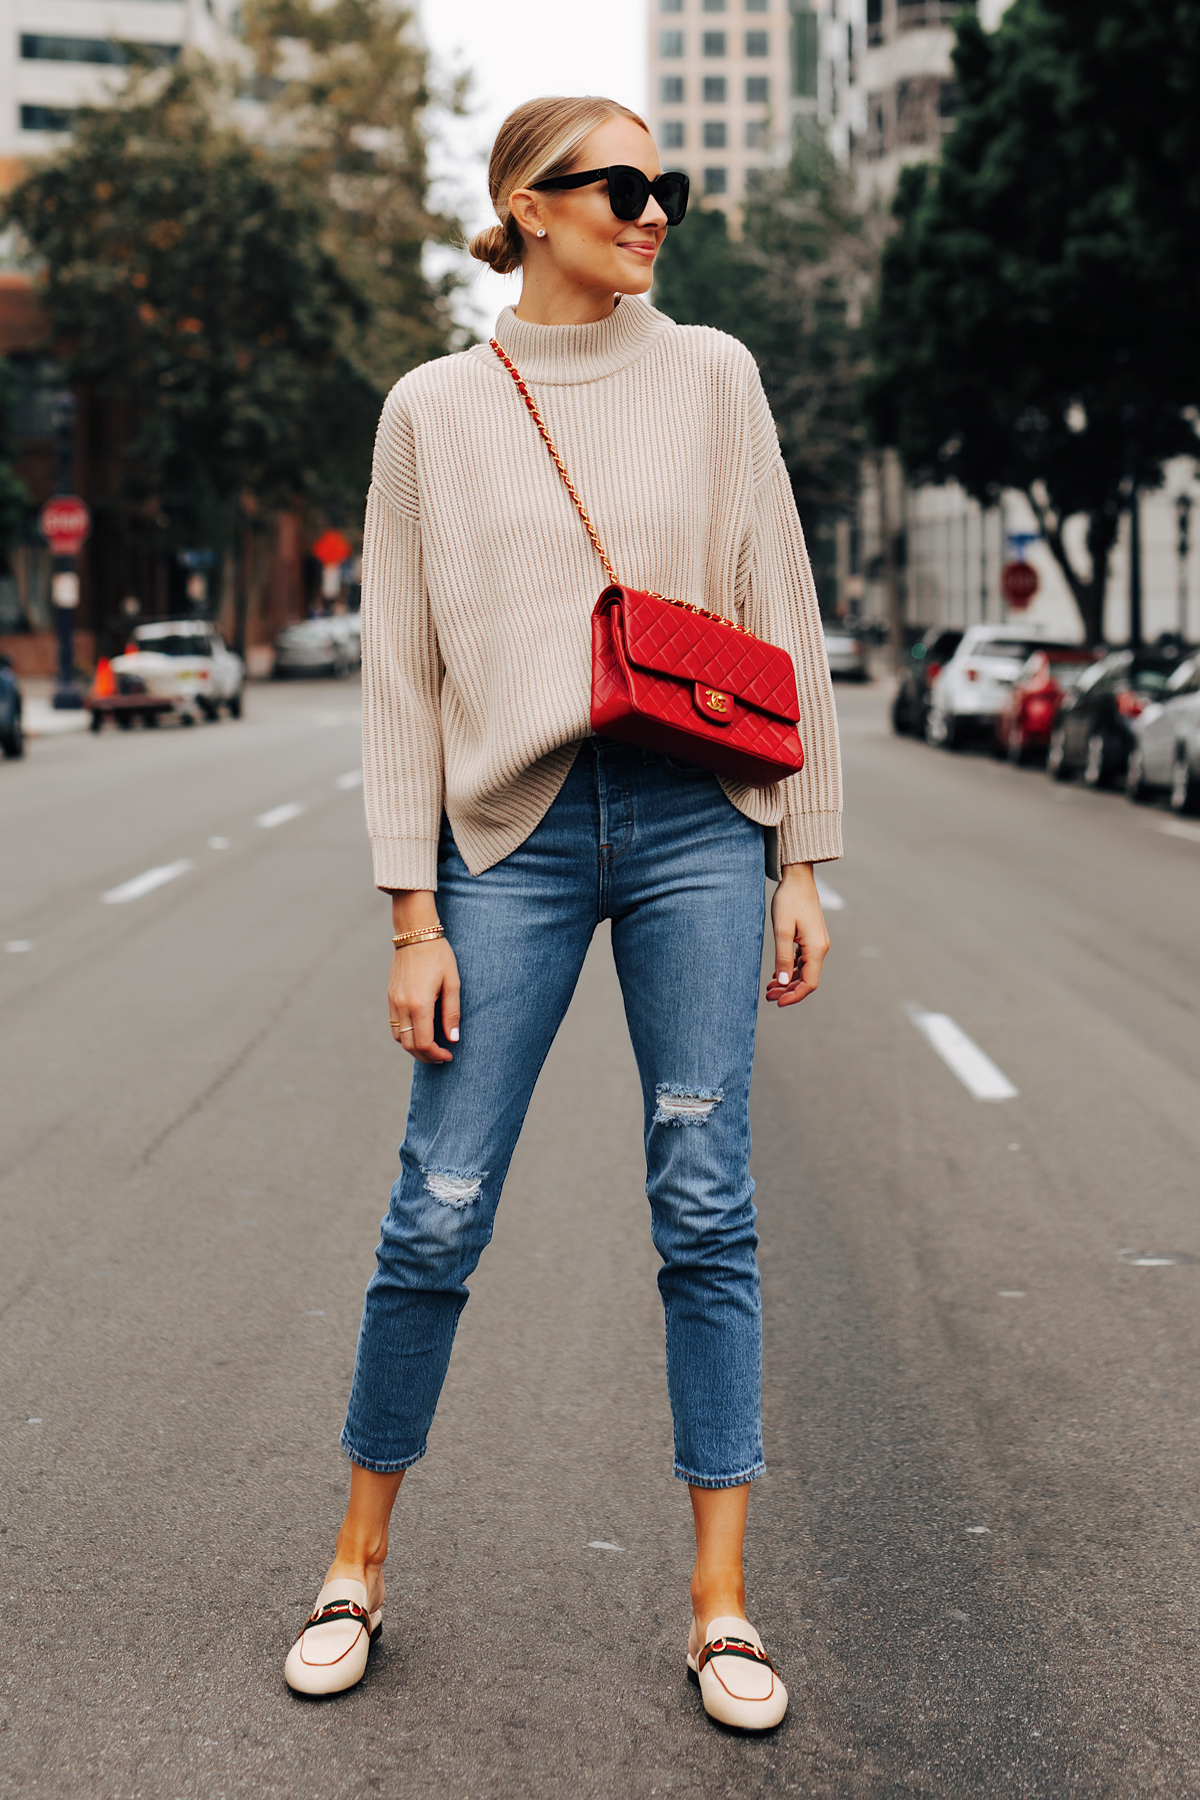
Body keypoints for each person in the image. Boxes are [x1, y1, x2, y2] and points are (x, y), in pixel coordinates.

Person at [285, 94, 842, 1730]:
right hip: (507, 838)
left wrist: (802, 857)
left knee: (705, 1199)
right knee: (439, 1205)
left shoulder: (716, 375)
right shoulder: (433, 413)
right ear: (528, 206)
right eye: (618, 186)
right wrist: (410, 911)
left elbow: (782, 611)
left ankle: (722, 1608)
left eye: (663, 185)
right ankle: (355, 1567)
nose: (652, 209)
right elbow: (405, 673)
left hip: (692, 828)